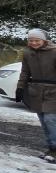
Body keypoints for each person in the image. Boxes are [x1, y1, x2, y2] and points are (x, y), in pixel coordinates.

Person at [16, 28, 56, 164]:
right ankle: (51, 147)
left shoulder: (54, 51)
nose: (33, 43)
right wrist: (20, 87)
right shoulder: (27, 53)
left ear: (44, 40)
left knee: (51, 119)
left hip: (53, 90)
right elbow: (25, 72)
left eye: (37, 40)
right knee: (43, 119)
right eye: (31, 40)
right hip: (36, 90)